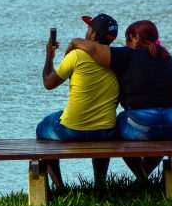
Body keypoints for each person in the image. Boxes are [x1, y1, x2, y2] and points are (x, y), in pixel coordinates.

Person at [70, 20, 172, 182]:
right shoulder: (169, 58)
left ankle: (141, 180)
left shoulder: (128, 55)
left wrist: (75, 41)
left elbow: (93, 49)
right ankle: (143, 179)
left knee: (114, 129)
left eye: (128, 39)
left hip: (144, 125)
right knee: (163, 138)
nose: (126, 44)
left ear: (136, 38)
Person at [38, 14, 120, 190]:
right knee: (101, 126)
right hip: (105, 132)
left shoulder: (77, 56)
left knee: (43, 127)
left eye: (89, 28)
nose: (86, 31)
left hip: (72, 131)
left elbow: (48, 83)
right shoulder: (118, 59)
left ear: (93, 35)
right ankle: (100, 185)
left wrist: (49, 56)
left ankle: (59, 187)